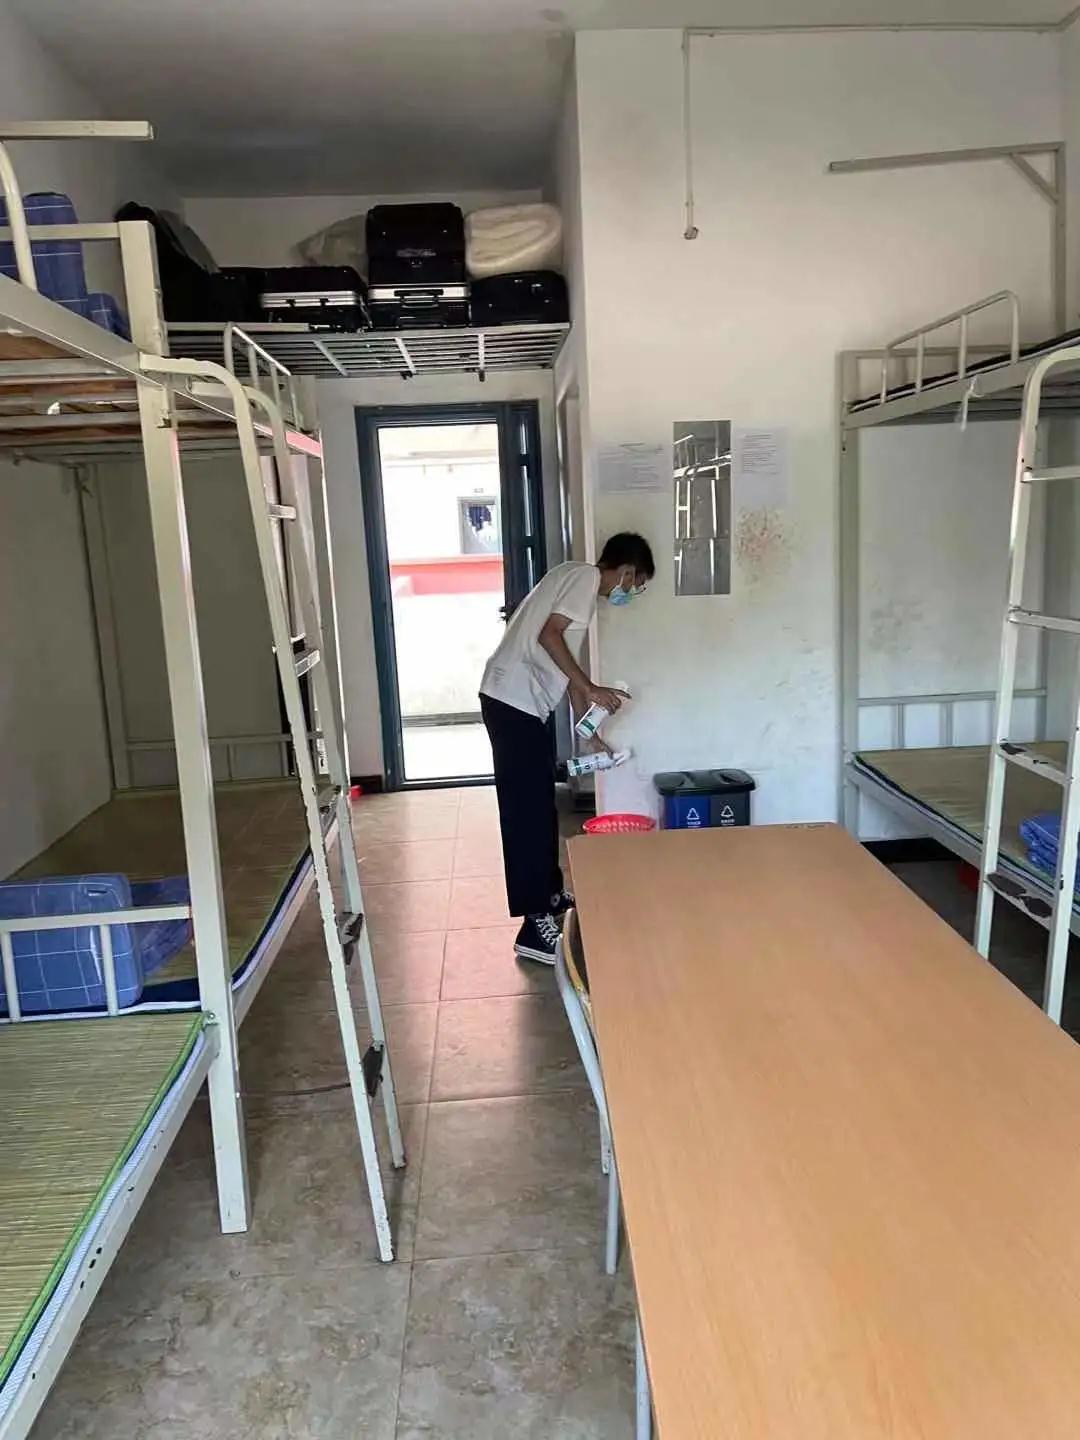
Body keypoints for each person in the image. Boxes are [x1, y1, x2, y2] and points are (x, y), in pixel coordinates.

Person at [479, 532, 655, 964]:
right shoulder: (585, 578)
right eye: (635, 584)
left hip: (518, 703)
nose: (630, 592)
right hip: (512, 701)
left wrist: (587, 729)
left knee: (541, 808)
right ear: (625, 571)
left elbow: (565, 665)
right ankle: (533, 924)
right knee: (526, 813)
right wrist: (592, 687)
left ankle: (550, 894)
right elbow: (549, 636)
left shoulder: (574, 579)